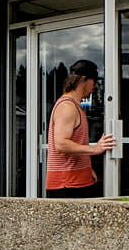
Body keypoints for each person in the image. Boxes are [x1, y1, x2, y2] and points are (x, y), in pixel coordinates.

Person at [45, 59, 116, 198]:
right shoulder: (67, 107)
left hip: (76, 181)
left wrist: (87, 169)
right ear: (83, 80)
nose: (94, 87)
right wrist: (95, 149)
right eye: (93, 81)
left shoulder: (75, 105)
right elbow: (61, 144)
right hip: (67, 184)